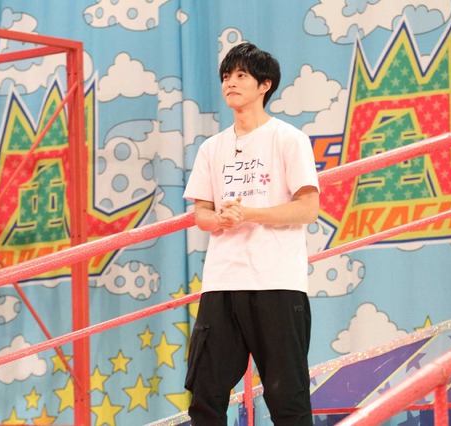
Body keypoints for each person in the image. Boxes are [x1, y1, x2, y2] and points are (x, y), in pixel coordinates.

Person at [183, 42, 320, 426]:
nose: (230, 83)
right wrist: (219, 220)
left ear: (265, 84)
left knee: (287, 397)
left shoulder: (288, 138)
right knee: (205, 394)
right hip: (222, 282)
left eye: (241, 75)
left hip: (277, 282)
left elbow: (308, 208)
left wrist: (249, 214)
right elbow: (201, 214)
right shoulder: (212, 148)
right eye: (226, 76)